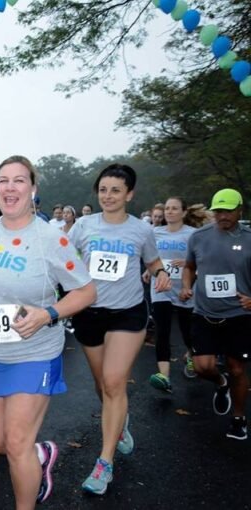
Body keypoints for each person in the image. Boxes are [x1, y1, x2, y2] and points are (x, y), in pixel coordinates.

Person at [0, 155, 96, 507]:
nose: (9, 187)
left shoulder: (50, 238)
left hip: (34, 354)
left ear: (32, 190)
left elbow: (87, 291)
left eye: (18, 180)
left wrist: (48, 313)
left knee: (15, 444)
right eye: (3, 180)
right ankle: (40, 456)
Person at [68, 163, 171, 495]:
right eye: (103, 190)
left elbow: (152, 260)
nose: (108, 196)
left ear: (130, 194)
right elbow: (64, 259)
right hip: (89, 313)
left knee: (114, 382)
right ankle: (119, 423)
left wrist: (160, 274)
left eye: (115, 190)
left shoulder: (141, 230)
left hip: (127, 314)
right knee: (103, 387)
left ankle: (104, 462)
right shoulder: (83, 225)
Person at [180, 188, 251, 440]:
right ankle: (221, 385)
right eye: (218, 211)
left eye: (228, 211)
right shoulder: (199, 237)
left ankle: (239, 418)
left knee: (238, 370)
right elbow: (189, 266)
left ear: (239, 210)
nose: (222, 216)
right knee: (202, 367)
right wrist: (187, 286)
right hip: (205, 312)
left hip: (239, 315)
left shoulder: (249, 237)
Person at [142, 197, 197, 392]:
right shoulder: (155, 232)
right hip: (161, 286)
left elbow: (201, 260)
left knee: (186, 330)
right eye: (167, 208)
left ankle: (191, 353)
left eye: (174, 208)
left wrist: (188, 264)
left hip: (184, 287)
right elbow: (152, 257)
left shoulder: (193, 234)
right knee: (162, 330)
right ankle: (164, 375)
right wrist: (150, 270)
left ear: (183, 212)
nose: (170, 212)